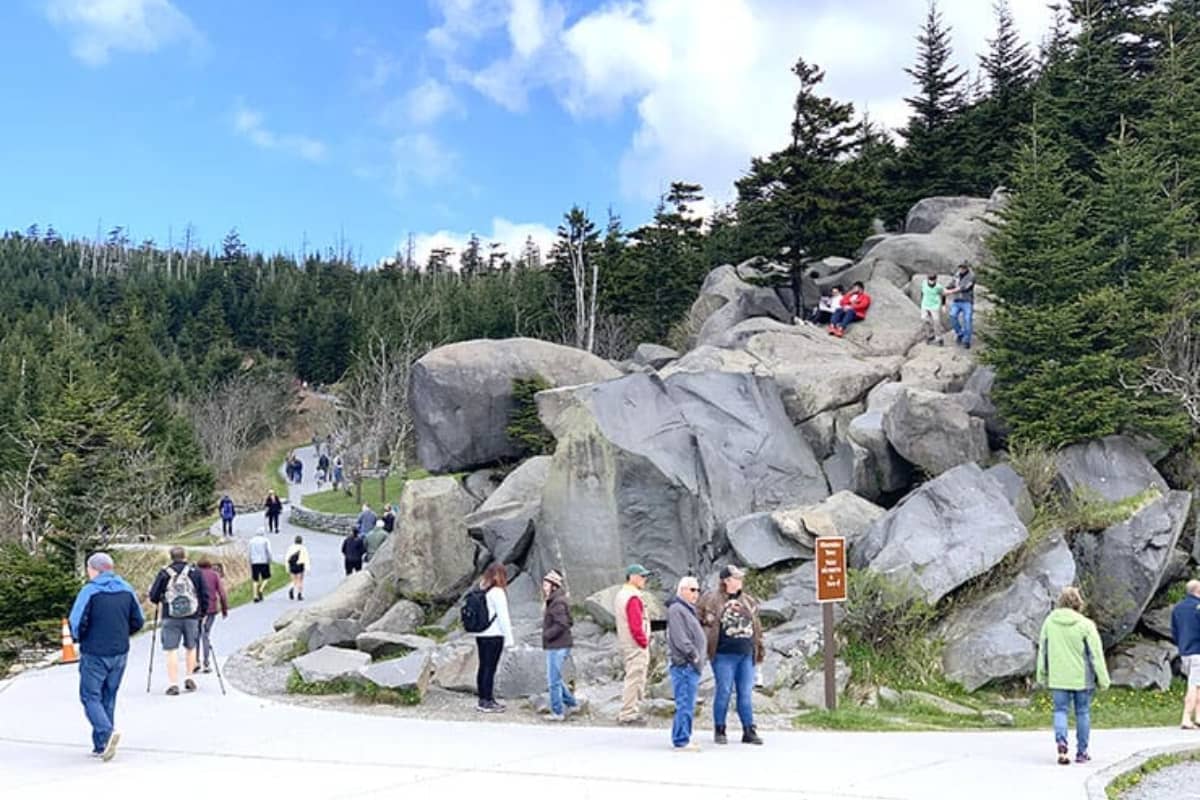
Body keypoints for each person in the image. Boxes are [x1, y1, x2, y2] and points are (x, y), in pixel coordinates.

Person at [68, 552, 143, 761]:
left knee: (90, 696)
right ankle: (101, 744)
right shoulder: (126, 589)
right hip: (120, 651)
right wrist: (122, 633)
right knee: (108, 695)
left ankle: (107, 732)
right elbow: (138, 620)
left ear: (94, 570)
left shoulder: (89, 591)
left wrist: (79, 638)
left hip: (94, 651)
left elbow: (76, 622)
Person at [1036, 586, 1110, 765]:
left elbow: (1043, 650)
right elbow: (1095, 655)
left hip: (1058, 677)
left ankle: (1061, 743)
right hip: (1082, 679)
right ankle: (1082, 752)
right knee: (1082, 712)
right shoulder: (1086, 625)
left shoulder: (1049, 622)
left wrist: (1042, 674)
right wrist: (1103, 679)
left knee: (1060, 711)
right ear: (1078, 603)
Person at [698, 564, 764, 745]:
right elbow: (699, 620)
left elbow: (757, 628)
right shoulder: (711, 600)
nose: (740, 581)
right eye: (736, 578)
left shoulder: (749, 601)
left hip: (746, 653)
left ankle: (749, 729)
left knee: (745, 692)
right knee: (724, 690)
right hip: (723, 654)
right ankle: (720, 728)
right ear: (726, 580)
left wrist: (759, 651)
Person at [147, 546, 209, 696]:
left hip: (170, 616)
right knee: (191, 647)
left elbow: (153, 596)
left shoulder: (164, 573)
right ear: (185, 556)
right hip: (192, 615)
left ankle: (173, 683)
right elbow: (204, 594)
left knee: (171, 650)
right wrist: (203, 612)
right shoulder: (196, 572)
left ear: (171, 557)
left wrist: (162, 598)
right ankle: (189, 677)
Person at [666, 575, 707, 752]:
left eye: (698, 590)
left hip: (690, 665)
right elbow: (680, 638)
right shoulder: (677, 609)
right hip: (685, 664)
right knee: (684, 702)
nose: (696, 593)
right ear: (682, 590)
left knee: (688, 702)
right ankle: (681, 740)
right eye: (692, 590)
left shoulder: (687, 609)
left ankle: (684, 737)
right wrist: (694, 655)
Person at [614, 564, 652, 725]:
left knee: (632, 675)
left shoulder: (621, 594)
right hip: (635, 644)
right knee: (635, 677)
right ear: (633, 577)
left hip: (626, 642)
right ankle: (628, 713)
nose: (645, 579)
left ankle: (631, 710)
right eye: (642, 576)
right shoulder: (633, 597)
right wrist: (643, 642)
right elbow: (635, 624)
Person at [474, 562, 514, 713]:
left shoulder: (483, 589)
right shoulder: (497, 592)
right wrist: (509, 639)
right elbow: (504, 617)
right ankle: (488, 701)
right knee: (490, 668)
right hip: (494, 635)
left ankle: (482, 699)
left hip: (481, 634)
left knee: (483, 666)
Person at [541, 569, 577, 722]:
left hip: (557, 645)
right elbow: (570, 621)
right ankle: (572, 703)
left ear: (553, 585)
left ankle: (557, 712)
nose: (543, 586)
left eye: (546, 583)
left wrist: (547, 635)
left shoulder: (557, 602)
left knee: (553, 680)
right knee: (555, 677)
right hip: (559, 644)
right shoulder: (557, 600)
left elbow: (562, 624)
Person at [1171, 580, 1200, 728]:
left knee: (1198, 684)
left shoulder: (1178, 608)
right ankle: (1186, 718)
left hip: (1185, 651)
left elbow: (1174, 631)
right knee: (1194, 685)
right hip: (1198, 651)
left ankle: (1199, 716)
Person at [195, 556, 228, 674]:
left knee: (196, 635)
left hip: (196, 610)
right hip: (211, 609)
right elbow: (222, 594)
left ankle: (196, 661)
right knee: (206, 634)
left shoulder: (195, 574)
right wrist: (224, 609)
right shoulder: (214, 575)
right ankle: (206, 662)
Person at [944, 262, 976, 349]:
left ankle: (967, 340)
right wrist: (945, 288)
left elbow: (964, 287)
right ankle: (960, 333)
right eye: (960, 268)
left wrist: (950, 292)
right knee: (952, 316)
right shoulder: (957, 275)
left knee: (967, 320)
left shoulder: (971, 276)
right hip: (957, 301)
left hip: (967, 301)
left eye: (963, 268)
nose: (961, 270)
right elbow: (952, 283)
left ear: (967, 268)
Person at [247, 528, 273, 602]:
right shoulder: (265, 540)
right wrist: (270, 559)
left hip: (254, 562)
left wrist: (249, 560)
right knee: (267, 577)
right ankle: (261, 589)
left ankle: (255, 596)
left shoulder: (251, 541)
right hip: (263, 561)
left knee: (255, 579)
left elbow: (249, 551)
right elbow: (268, 550)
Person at [919, 274, 945, 344]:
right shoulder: (924, 283)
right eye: (930, 279)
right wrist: (921, 301)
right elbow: (922, 292)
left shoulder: (939, 287)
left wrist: (943, 305)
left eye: (933, 279)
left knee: (936, 321)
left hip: (934, 306)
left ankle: (939, 337)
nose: (931, 281)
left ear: (936, 279)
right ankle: (929, 335)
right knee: (925, 320)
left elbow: (943, 295)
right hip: (925, 305)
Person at [285, 535, 311, 601]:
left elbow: (287, 558)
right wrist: (307, 567)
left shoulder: (291, 548)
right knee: (300, 580)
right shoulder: (303, 548)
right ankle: (299, 594)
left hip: (292, 566)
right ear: (301, 541)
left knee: (294, 580)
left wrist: (287, 567)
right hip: (300, 566)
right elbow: (306, 558)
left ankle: (292, 588)